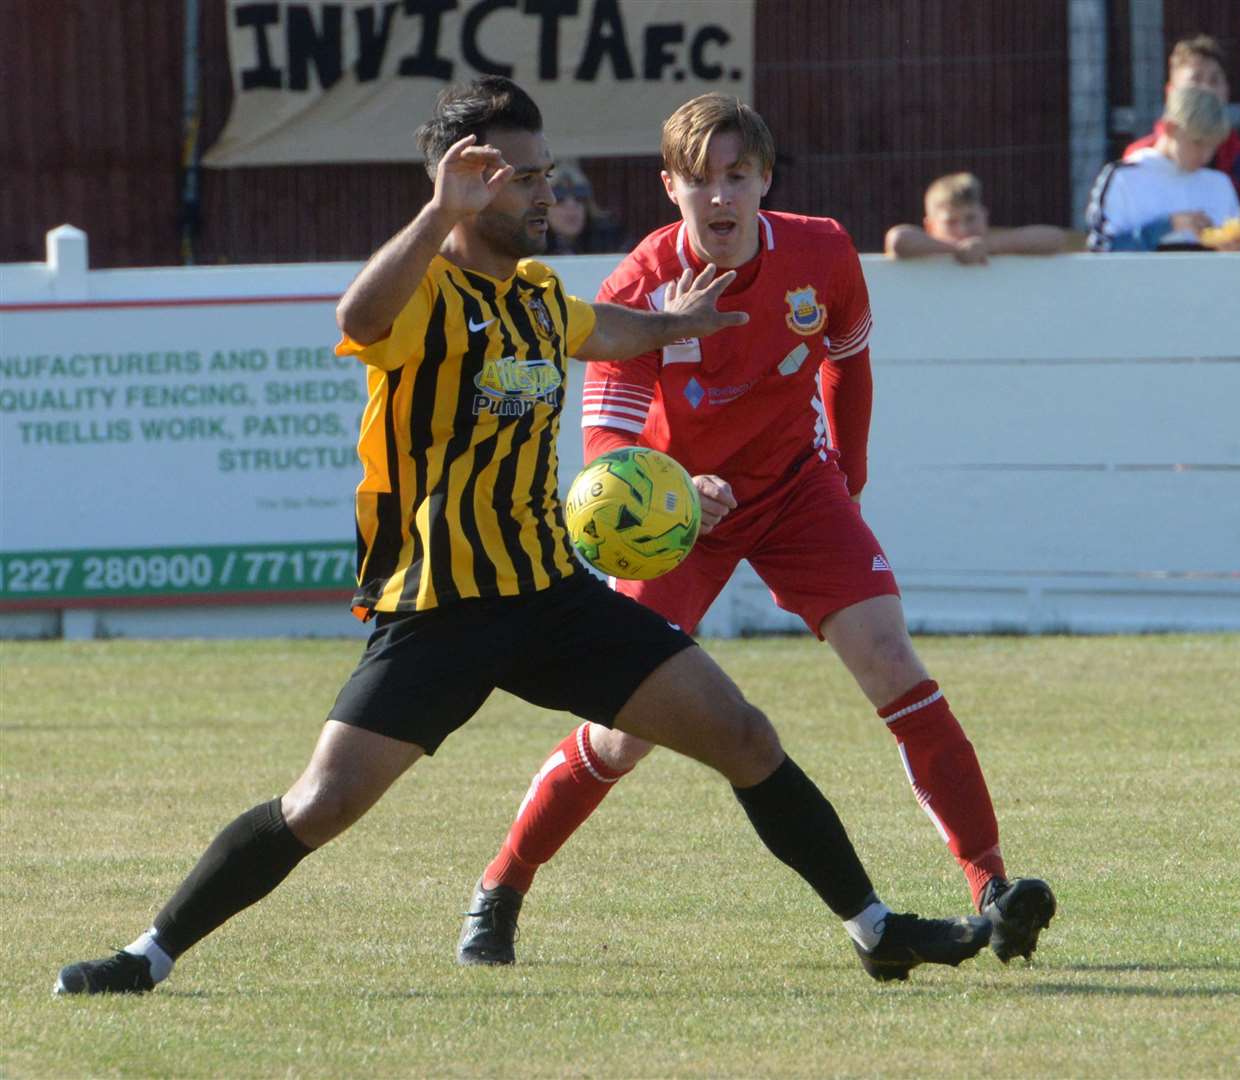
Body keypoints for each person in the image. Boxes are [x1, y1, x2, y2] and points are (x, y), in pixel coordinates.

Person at [53, 77, 994, 997]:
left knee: (744, 735)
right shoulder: (425, 295)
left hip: (550, 597)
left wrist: (680, 322)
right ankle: (147, 957)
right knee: (321, 804)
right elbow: (358, 318)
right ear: (464, 182)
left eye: (548, 172)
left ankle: (875, 930)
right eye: (526, 177)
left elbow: (607, 333)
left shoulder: (539, 295)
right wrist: (436, 215)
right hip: (438, 610)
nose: (549, 191)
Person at [457, 93, 1056, 969]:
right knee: (625, 734)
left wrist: (845, 476)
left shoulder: (820, 252)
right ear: (670, 188)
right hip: (674, 521)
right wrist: (668, 488)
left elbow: (848, 358)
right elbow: (607, 434)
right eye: (700, 179)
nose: (720, 195)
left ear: (765, 180)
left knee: (894, 662)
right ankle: (501, 887)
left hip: (796, 492)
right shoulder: (639, 285)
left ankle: (993, 890)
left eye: (737, 175)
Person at [1087, 86, 1240, 252]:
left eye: (1213, 146)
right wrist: (1169, 225)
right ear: (1170, 128)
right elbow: (1101, 250)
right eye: (1198, 143)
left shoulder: (1219, 184)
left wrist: (1234, 251)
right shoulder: (1123, 178)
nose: (1206, 155)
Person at [1122, 33, 1240, 213]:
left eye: (1214, 81)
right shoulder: (1138, 158)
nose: (1207, 90)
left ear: (1227, 91)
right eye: (1195, 80)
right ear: (1171, 92)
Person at [883, 172, 1067, 264]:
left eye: (970, 218)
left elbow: (1055, 238)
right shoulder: (924, 247)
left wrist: (988, 247)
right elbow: (898, 240)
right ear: (929, 226)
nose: (963, 229)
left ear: (984, 215)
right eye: (951, 222)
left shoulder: (995, 243)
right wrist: (957, 250)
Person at [545, 159, 626, 255]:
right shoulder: (530, 243)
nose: (571, 205)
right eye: (559, 198)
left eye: (579, 197)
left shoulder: (611, 239)